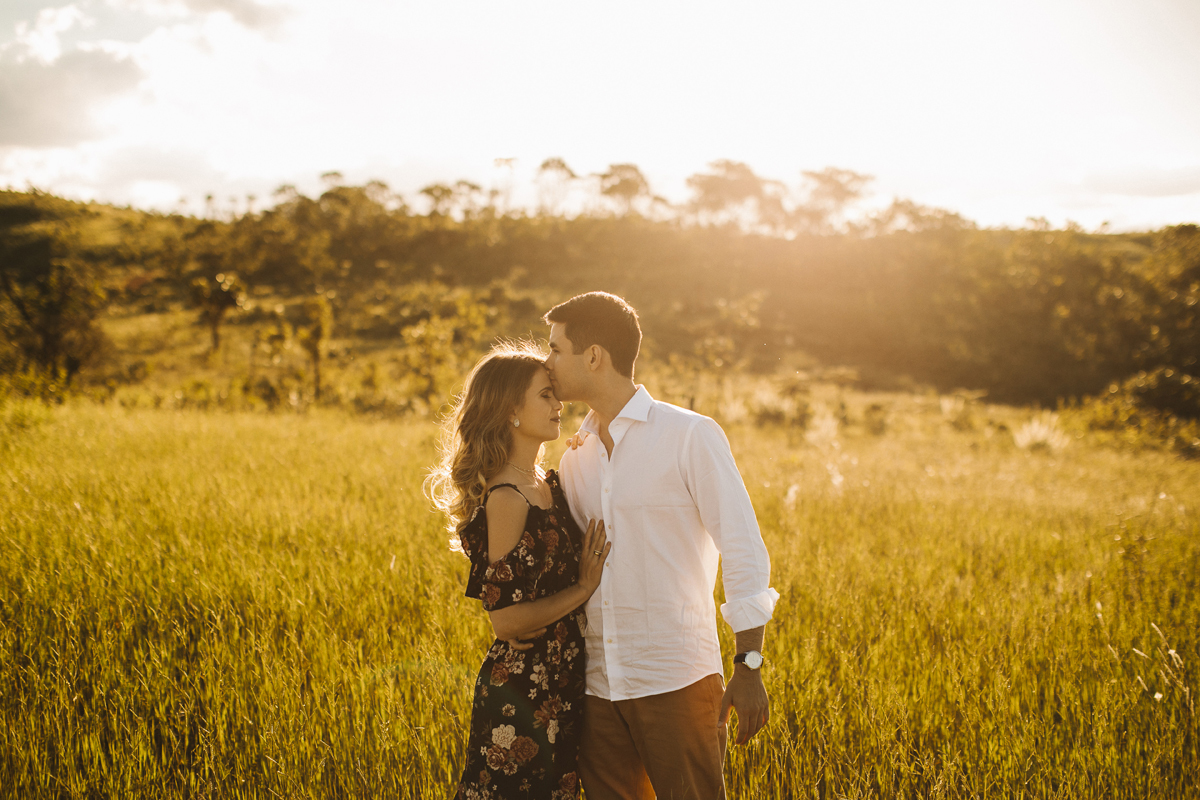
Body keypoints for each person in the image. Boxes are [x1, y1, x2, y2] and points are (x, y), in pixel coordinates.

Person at [544, 292, 779, 800]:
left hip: (677, 681)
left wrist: (749, 665)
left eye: (556, 349)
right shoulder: (574, 458)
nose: (547, 363)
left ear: (593, 356)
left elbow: (743, 547)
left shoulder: (690, 435)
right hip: (597, 688)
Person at [426, 343, 611, 800]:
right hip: (524, 691)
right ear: (511, 410)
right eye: (545, 395)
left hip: (563, 683)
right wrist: (584, 588)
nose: (558, 404)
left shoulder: (547, 483)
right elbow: (506, 621)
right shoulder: (507, 497)